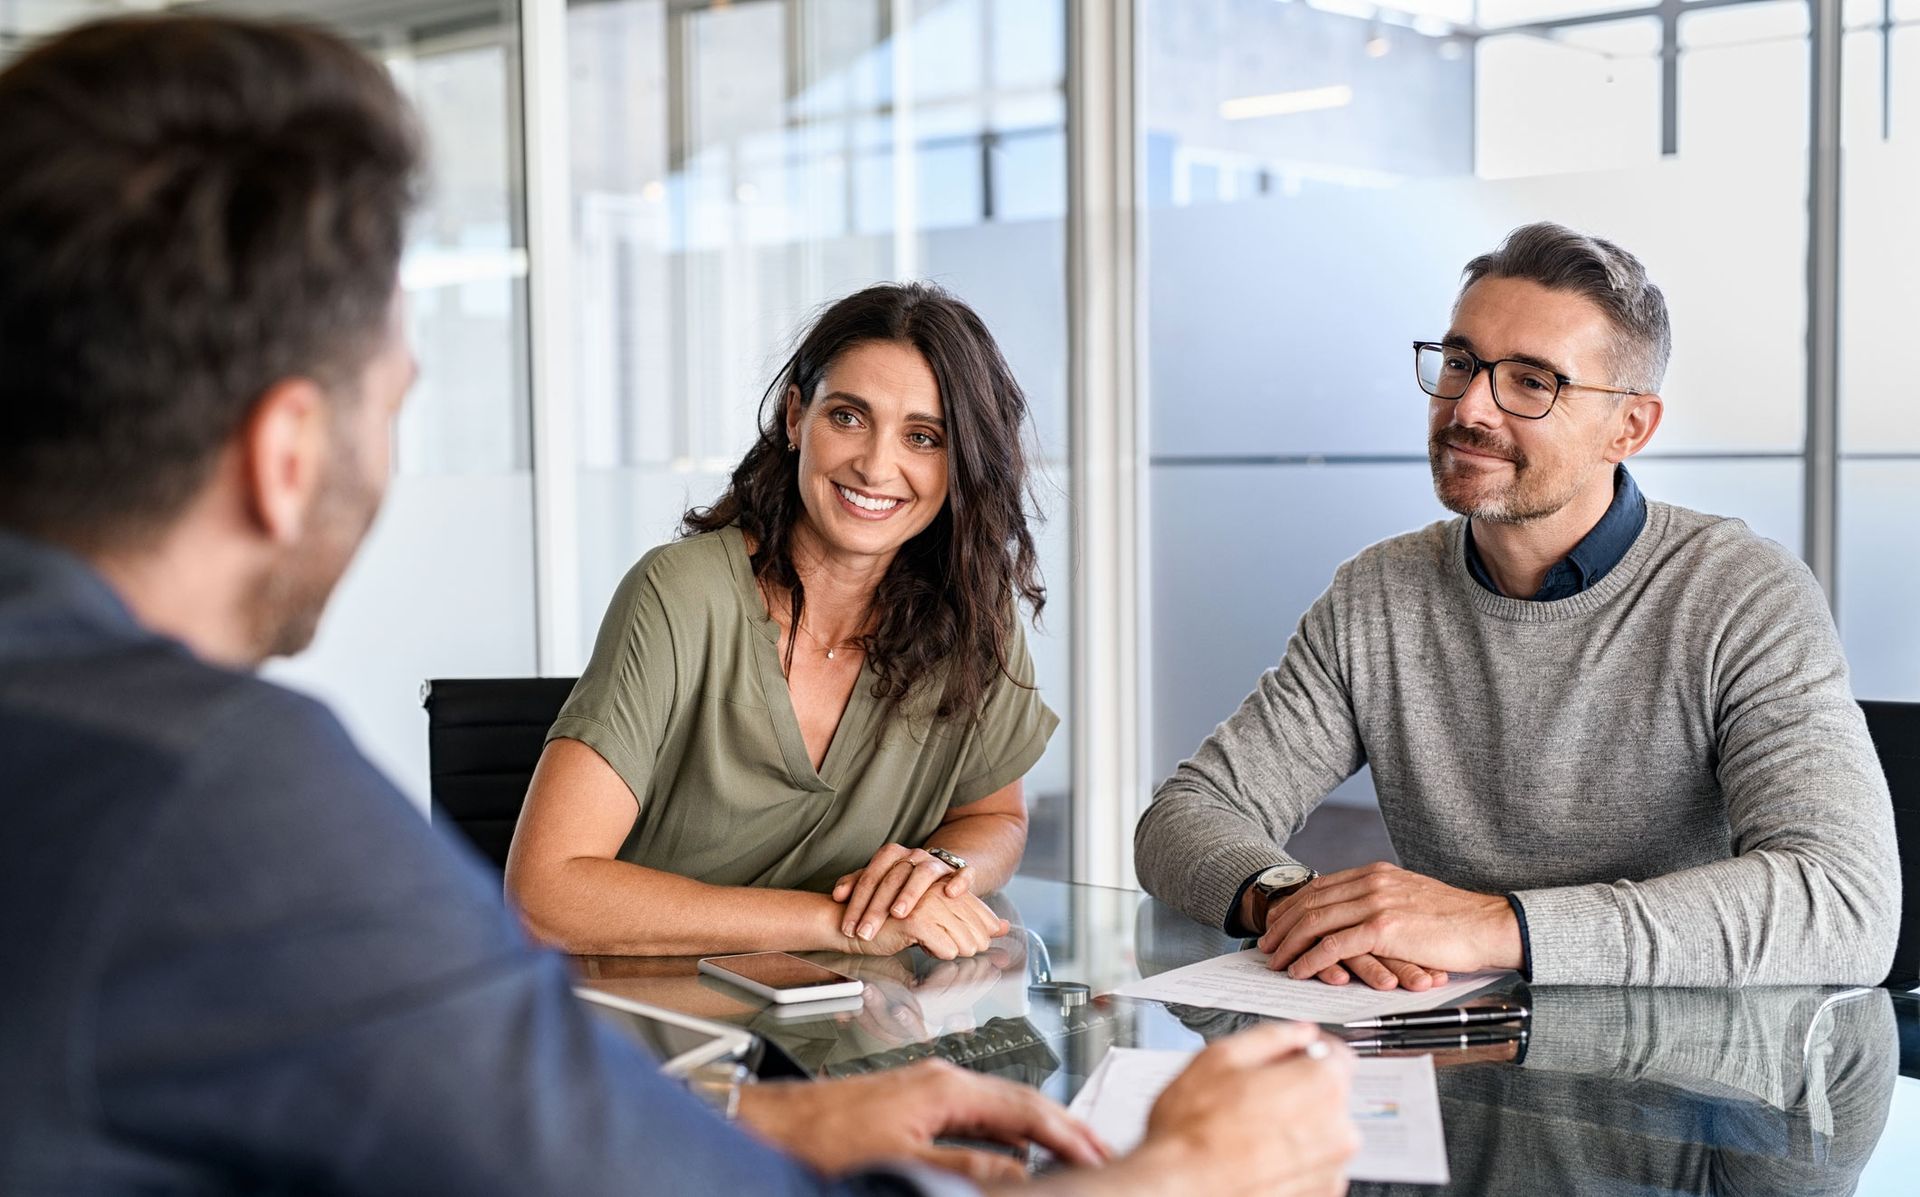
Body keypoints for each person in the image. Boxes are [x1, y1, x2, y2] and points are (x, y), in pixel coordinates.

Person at [0, 14, 1363, 1197]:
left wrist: (780, 1109)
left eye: (928, 438)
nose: (882, 464)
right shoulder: (222, 802)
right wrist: (1183, 1171)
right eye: (400, 395)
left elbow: (452, 1130)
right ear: (286, 453)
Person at [1135, 222, 1901, 990]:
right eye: (1461, 362)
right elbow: (1185, 816)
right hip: (1447, 1056)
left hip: (1688, 1081)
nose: (1469, 407)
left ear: (1628, 427)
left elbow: (1842, 904)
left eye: (1533, 381)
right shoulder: (1377, 594)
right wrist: (1294, 903)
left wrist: (1493, 924)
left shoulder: (1741, 594)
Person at [507, 284, 1057, 961]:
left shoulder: (974, 611)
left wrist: (940, 869)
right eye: (849, 417)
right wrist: (837, 925)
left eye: (923, 437)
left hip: (853, 1036)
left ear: (961, 460)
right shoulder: (680, 595)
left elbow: (993, 815)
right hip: (648, 1031)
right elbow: (545, 894)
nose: (876, 464)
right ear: (796, 417)